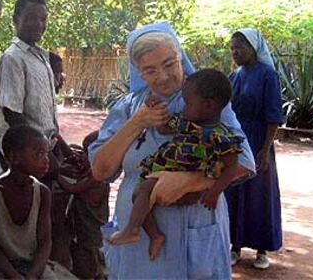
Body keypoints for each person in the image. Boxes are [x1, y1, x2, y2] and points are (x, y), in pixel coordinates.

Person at [88, 21, 255, 279]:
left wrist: (188, 181)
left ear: (181, 57)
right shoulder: (129, 107)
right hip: (138, 241)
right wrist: (138, 122)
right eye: (150, 70)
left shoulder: (205, 100)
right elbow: (101, 170)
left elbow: (244, 161)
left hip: (194, 231)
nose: (163, 76)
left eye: (169, 64)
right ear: (138, 72)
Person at [108, 69, 244, 262]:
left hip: (191, 188)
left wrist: (214, 191)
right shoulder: (186, 121)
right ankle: (153, 235)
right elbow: (164, 127)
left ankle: (133, 229)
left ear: (208, 105)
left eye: (188, 103)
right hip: (167, 171)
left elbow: (232, 167)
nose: (183, 106)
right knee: (140, 194)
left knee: (143, 193)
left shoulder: (222, 137)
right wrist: (155, 107)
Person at [224, 28, 283, 269]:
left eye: (240, 47)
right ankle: (234, 246)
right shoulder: (233, 76)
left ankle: (261, 250)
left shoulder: (268, 75)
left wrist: (265, 149)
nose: (235, 52)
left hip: (259, 140)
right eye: (232, 48)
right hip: (236, 141)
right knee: (234, 191)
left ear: (254, 48)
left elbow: (273, 116)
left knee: (260, 195)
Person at [0, 0, 59, 180]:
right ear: (15, 20)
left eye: (43, 19)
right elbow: (12, 113)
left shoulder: (40, 57)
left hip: (40, 153)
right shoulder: (13, 58)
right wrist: (45, 154)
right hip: (23, 157)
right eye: (31, 18)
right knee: (23, 206)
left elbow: (46, 119)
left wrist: (62, 149)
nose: (39, 24)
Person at [0, 125, 54, 279]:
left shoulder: (43, 193)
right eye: (39, 154)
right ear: (14, 157)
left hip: (34, 264)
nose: (47, 160)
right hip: (1, 266)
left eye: (47, 153)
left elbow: (45, 242)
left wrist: (33, 275)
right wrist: (14, 276)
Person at [56, 131, 109, 279]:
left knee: (88, 262)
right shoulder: (89, 169)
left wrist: (55, 173)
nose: (82, 156)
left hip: (90, 233)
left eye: (87, 153)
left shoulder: (97, 177)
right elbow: (71, 157)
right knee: (80, 256)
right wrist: (60, 141)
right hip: (81, 229)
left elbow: (71, 188)